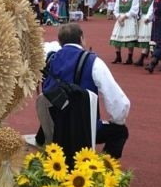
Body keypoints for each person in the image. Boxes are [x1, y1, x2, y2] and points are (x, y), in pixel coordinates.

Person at [39, 23, 130, 161]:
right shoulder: (93, 62)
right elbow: (119, 102)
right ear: (81, 38)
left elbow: (44, 46)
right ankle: (103, 167)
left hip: (54, 127)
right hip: (84, 128)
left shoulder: (49, 59)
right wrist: (117, 120)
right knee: (120, 132)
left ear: (60, 41)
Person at [109, 0, 140, 64]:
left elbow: (134, 10)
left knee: (130, 39)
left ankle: (130, 58)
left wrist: (124, 17)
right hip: (120, 20)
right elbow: (115, 9)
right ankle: (118, 57)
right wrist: (118, 17)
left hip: (129, 20)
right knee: (117, 38)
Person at [134, 0, 154, 66]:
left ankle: (149, 60)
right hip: (143, 19)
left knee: (152, 40)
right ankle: (142, 59)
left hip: (151, 20)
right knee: (146, 40)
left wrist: (149, 18)